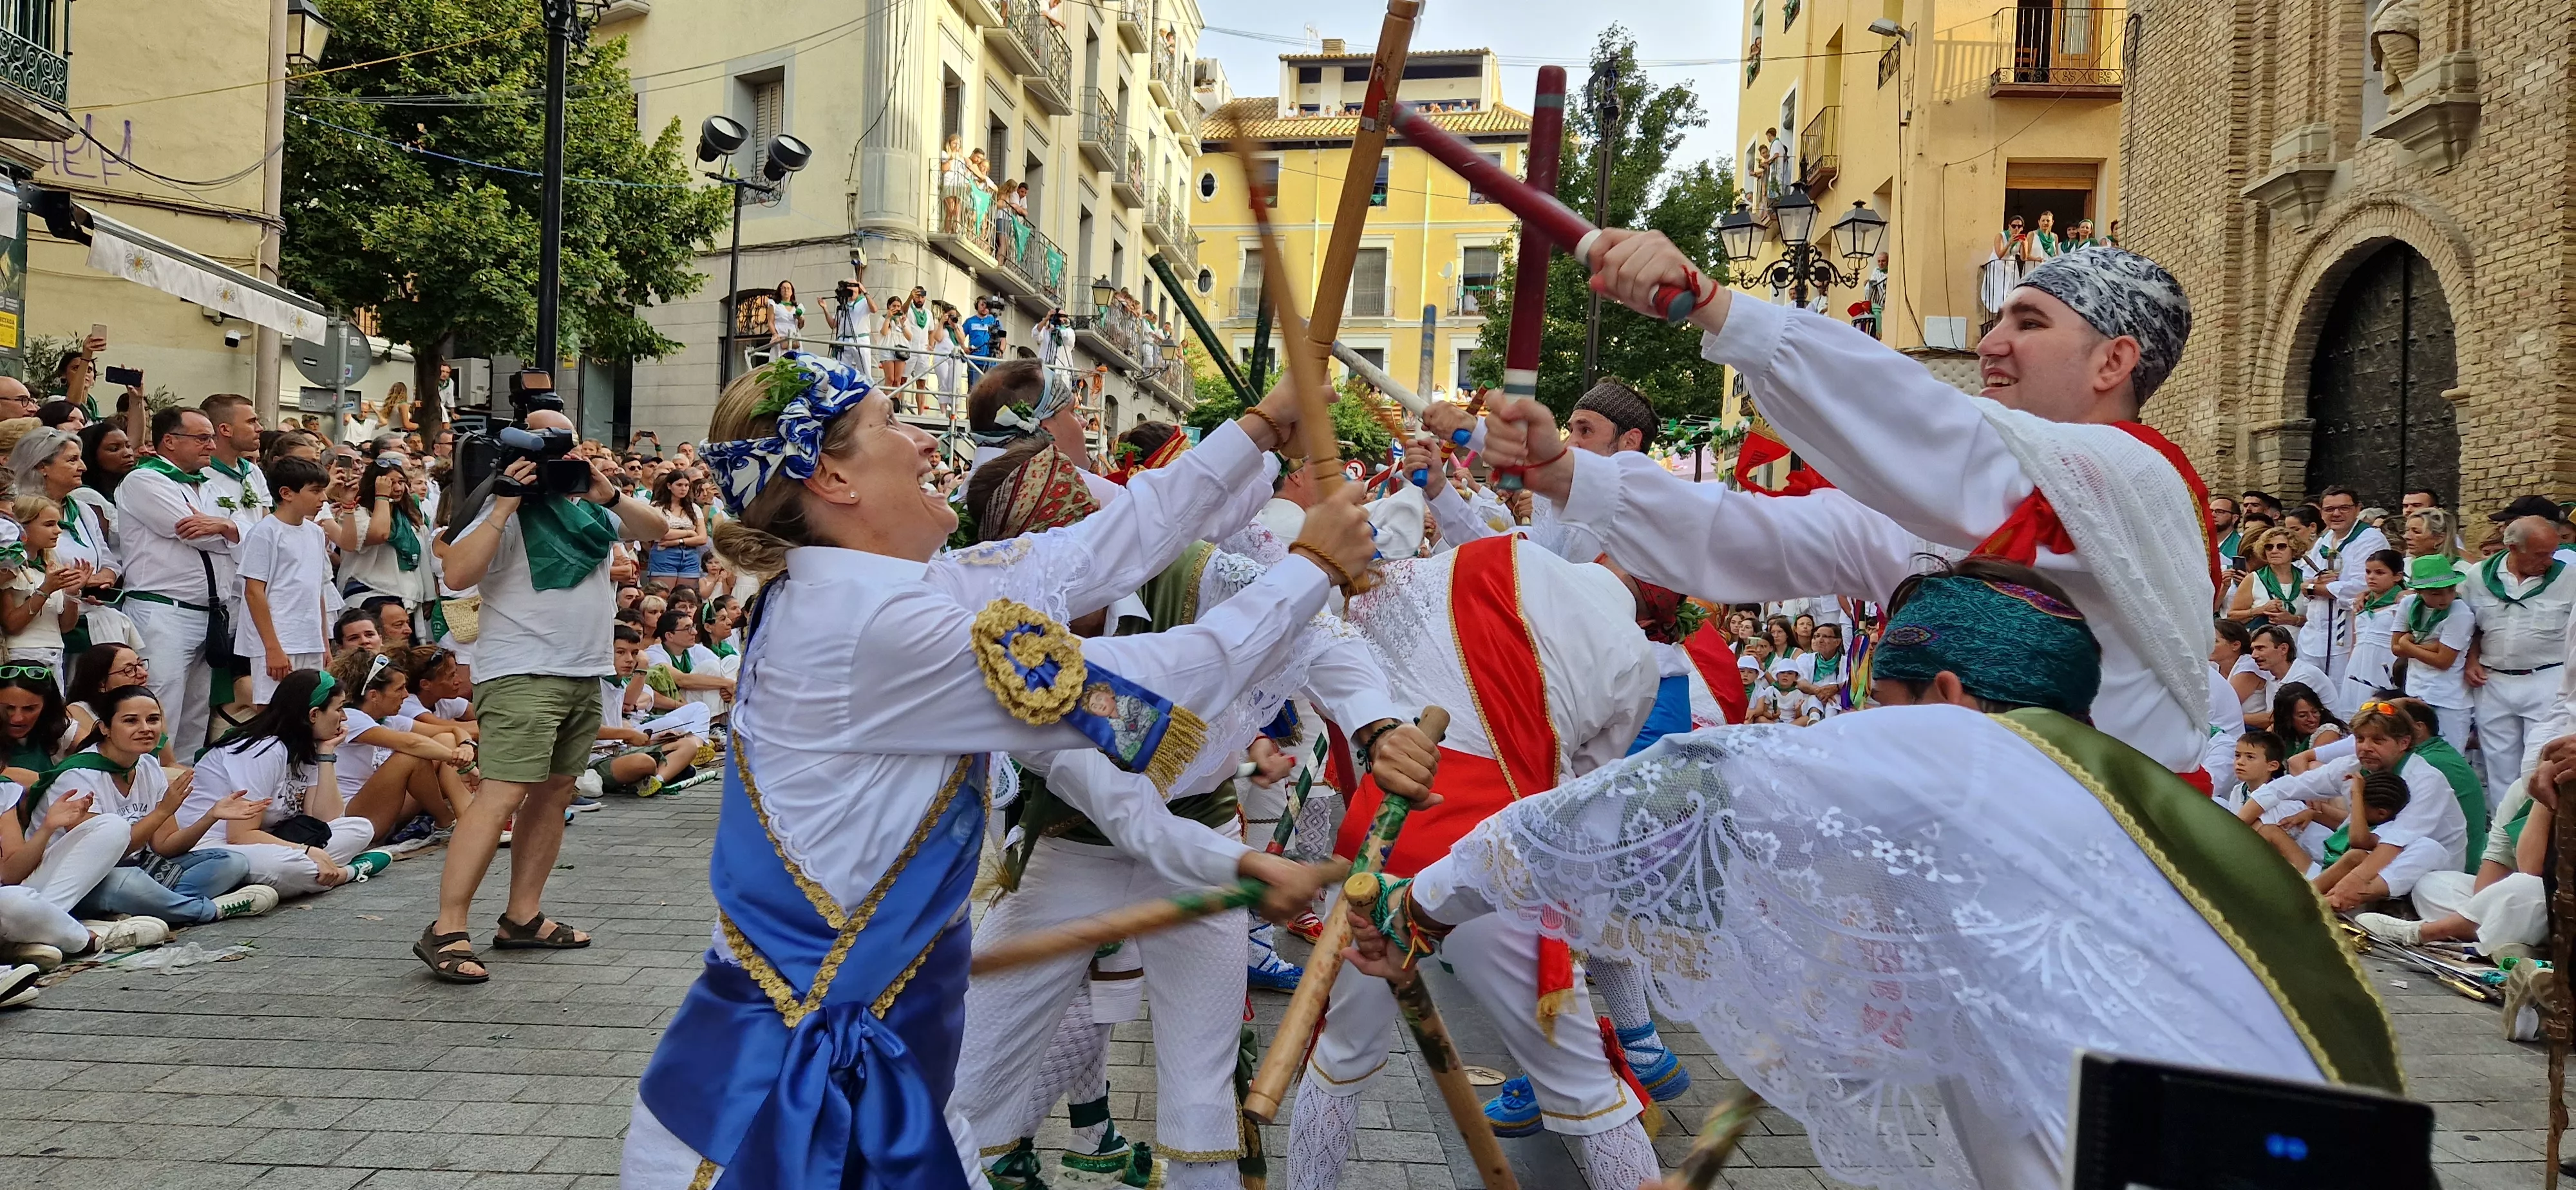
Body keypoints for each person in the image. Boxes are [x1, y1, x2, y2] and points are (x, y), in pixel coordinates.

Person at [1343, 558, 2402, 1190]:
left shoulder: (1966, 748)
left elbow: (1669, 791)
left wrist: (1424, 900)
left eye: (1883, 708)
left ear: (1945, 693)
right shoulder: (2136, 801)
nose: (1873, 731)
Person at [620, 353, 1401, 1190]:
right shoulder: (875, 626)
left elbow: (1095, 548)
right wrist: (1311, 568)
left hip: (870, 1088)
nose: (926, 442)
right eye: (891, 423)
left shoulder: (876, 594)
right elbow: (1160, 683)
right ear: (833, 478)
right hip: (775, 1120)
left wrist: (1258, 430)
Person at [1471, 240, 2221, 789]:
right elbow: (1763, 536)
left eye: (2028, 323)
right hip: (1985, 836)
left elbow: (1935, 434)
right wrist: (1564, 473)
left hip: (2118, 853)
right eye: (1999, 320)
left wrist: (1714, 306)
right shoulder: (1981, 498)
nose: (1990, 344)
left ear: (2112, 362)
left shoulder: (2136, 482)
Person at [415, 408, 670, 985]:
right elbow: (457, 575)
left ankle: (522, 917)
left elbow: (655, 528)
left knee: (553, 794)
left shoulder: (590, 507)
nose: (562, 458)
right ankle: (447, 929)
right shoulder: (493, 505)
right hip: (522, 673)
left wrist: (609, 493)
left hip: (582, 671)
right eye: (548, 447)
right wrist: (504, 503)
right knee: (501, 796)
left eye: (569, 445)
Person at [29, 686, 278, 925]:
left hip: (141, 868)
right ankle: (208, 910)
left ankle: (152, 907)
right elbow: (108, 852)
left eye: (153, 720)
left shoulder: (147, 765)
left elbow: (166, 846)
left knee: (231, 862)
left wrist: (211, 816)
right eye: (131, 721)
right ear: (104, 728)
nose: (146, 728)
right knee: (125, 882)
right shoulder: (78, 776)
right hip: (86, 877)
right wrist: (162, 811)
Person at [173, 669, 385, 897]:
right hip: (215, 845)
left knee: (361, 828)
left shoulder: (308, 746)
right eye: (339, 709)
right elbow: (240, 835)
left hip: (267, 839)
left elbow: (326, 820)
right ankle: (349, 872)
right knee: (290, 867)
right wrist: (307, 851)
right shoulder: (264, 750)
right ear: (314, 715)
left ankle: (296, 879)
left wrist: (326, 755)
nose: (344, 718)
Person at [2241, 701, 2465, 912]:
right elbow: (2284, 788)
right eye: (2360, 739)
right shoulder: (2354, 766)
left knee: (2425, 848)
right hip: (2360, 860)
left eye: (2378, 741)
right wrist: (2235, 828)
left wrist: (2347, 884)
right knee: (2272, 816)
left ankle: (2319, 901)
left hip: (2421, 877)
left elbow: (2392, 845)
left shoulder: (2426, 780)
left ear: (2404, 743)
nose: (2365, 748)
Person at [116, 407, 240, 751]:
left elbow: (252, 535)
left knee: (195, 715)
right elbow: (191, 532)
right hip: (164, 612)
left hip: (210, 614)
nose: (212, 446)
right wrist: (231, 533)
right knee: (160, 707)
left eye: (212, 438)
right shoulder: (144, 480)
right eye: (202, 438)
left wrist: (228, 526)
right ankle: (149, 778)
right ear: (169, 441)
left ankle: (182, 781)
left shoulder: (210, 484)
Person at [2461, 512, 2573, 809]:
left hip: (2548, 678)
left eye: (2552, 552)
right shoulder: (2478, 577)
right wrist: (2472, 659)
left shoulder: (2569, 578)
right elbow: (2468, 624)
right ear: (2513, 548)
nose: (2548, 561)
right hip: (2493, 680)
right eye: (2540, 554)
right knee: (2498, 764)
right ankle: (2503, 830)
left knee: (2540, 759)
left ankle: (2535, 826)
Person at [325, 648, 473, 843]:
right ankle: (447, 822)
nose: (406, 695)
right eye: (399, 689)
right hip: (355, 819)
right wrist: (463, 763)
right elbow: (412, 743)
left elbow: (452, 730)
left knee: (444, 740)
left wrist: (465, 745)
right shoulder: (350, 718)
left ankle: (468, 819)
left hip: (387, 808)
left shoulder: (390, 720)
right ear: (374, 695)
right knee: (410, 756)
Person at [236, 457, 335, 707]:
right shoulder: (265, 531)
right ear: (287, 493)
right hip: (278, 639)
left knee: (310, 709)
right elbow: (254, 592)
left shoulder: (315, 533)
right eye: (315, 491)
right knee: (273, 709)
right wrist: (272, 648)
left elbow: (317, 592)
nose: (323, 498)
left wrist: (324, 643)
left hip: (309, 639)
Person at [590, 625, 704, 799]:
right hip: (596, 759)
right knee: (644, 763)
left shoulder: (619, 683)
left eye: (635, 653)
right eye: (621, 652)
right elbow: (589, 730)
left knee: (688, 745)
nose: (630, 659)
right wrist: (630, 735)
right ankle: (660, 774)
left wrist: (651, 739)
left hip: (620, 750)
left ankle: (655, 781)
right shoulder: (594, 685)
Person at [2297, 484, 2385, 681]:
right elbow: (2304, 580)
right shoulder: (2325, 539)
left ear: (2358, 509)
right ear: (2321, 513)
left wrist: (2314, 587)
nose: (2336, 514)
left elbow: (2362, 586)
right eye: (2329, 509)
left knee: (2340, 691)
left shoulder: (2371, 539)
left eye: (2344, 508)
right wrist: (2316, 585)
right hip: (2313, 635)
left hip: (2345, 635)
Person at [328, 455, 435, 615]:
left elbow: (424, 555)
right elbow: (380, 534)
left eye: (401, 482)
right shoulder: (357, 513)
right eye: (390, 483)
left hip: (408, 598)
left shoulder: (409, 515)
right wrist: (382, 497)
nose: (398, 488)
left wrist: (429, 595)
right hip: (369, 595)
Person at [2392, 554, 2476, 753]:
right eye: (2436, 593)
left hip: (2449, 699)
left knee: (2449, 755)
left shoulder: (2460, 613)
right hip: (2415, 691)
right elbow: (2395, 647)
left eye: (2451, 590)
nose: (2446, 598)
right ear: (2419, 591)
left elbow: (2443, 661)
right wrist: (2431, 646)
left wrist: (2408, 645)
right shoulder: (2408, 604)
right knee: (2415, 753)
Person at [1, 496, 85, 674]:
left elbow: (65, 627)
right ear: (22, 527)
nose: (58, 530)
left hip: (55, 655)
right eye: (49, 525)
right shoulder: (8, 569)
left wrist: (72, 593)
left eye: (58, 524)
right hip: (22, 656)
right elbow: (12, 625)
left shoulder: (52, 567)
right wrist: (45, 590)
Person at [2342, 549, 2407, 715]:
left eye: (2379, 573)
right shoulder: (2361, 605)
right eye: (2368, 572)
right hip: (2358, 664)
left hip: (2385, 664)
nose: (2371, 577)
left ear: (2397, 576)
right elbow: (2355, 643)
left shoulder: (2401, 605)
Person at [2242, 623, 2329, 730]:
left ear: (2283, 649)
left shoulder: (2304, 676)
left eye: (2260, 648)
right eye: (2253, 650)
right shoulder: (2271, 675)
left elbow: (2277, 719)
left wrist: (2235, 718)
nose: (2254, 655)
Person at [2226, 526, 2307, 628]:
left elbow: (2317, 619)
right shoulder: (2254, 578)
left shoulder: (2306, 578)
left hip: (2300, 637)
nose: (2274, 551)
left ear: (2294, 549)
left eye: (2281, 547)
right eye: (2269, 547)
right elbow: (2232, 617)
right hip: (2262, 636)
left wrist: (2294, 620)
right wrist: (2261, 610)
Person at [643, 471, 708, 589]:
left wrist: (678, 541)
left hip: (690, 555)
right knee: (663, 593)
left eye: (686, 485)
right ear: (669, 486)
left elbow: (703, 538)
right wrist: (690, 533)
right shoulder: (657, 507)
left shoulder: (694, 508)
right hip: (665, 553)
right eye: (679, 485)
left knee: (687, 594)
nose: (684, 489)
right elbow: (662, 533)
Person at [1980, 214, 2027, 315]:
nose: (2016, 229)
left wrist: (2023, 244)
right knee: (1998, 292)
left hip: (2011, 267)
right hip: (1998, 266)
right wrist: (2009, 243)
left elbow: (2024, 258)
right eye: (2014, 226)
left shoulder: (2023, 239)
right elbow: (2000, 255)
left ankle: (2008, 313)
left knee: (2011, 291)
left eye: (2019, 226)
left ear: (2022, 228)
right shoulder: (2001, 236)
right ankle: (1998, 313)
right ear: (2009, 226)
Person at [764, 279, 805, 354]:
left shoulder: (797, 307)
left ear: (792, 292)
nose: (786, 290)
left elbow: (800, 326)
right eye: (784, 288)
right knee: (781, 359)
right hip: (780, 338)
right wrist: (775, 334)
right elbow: (770, 322)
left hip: (794, 339)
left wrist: (801, 319)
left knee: (795, 359)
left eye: (789, 288)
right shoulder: (774, 304)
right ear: (780, 291)